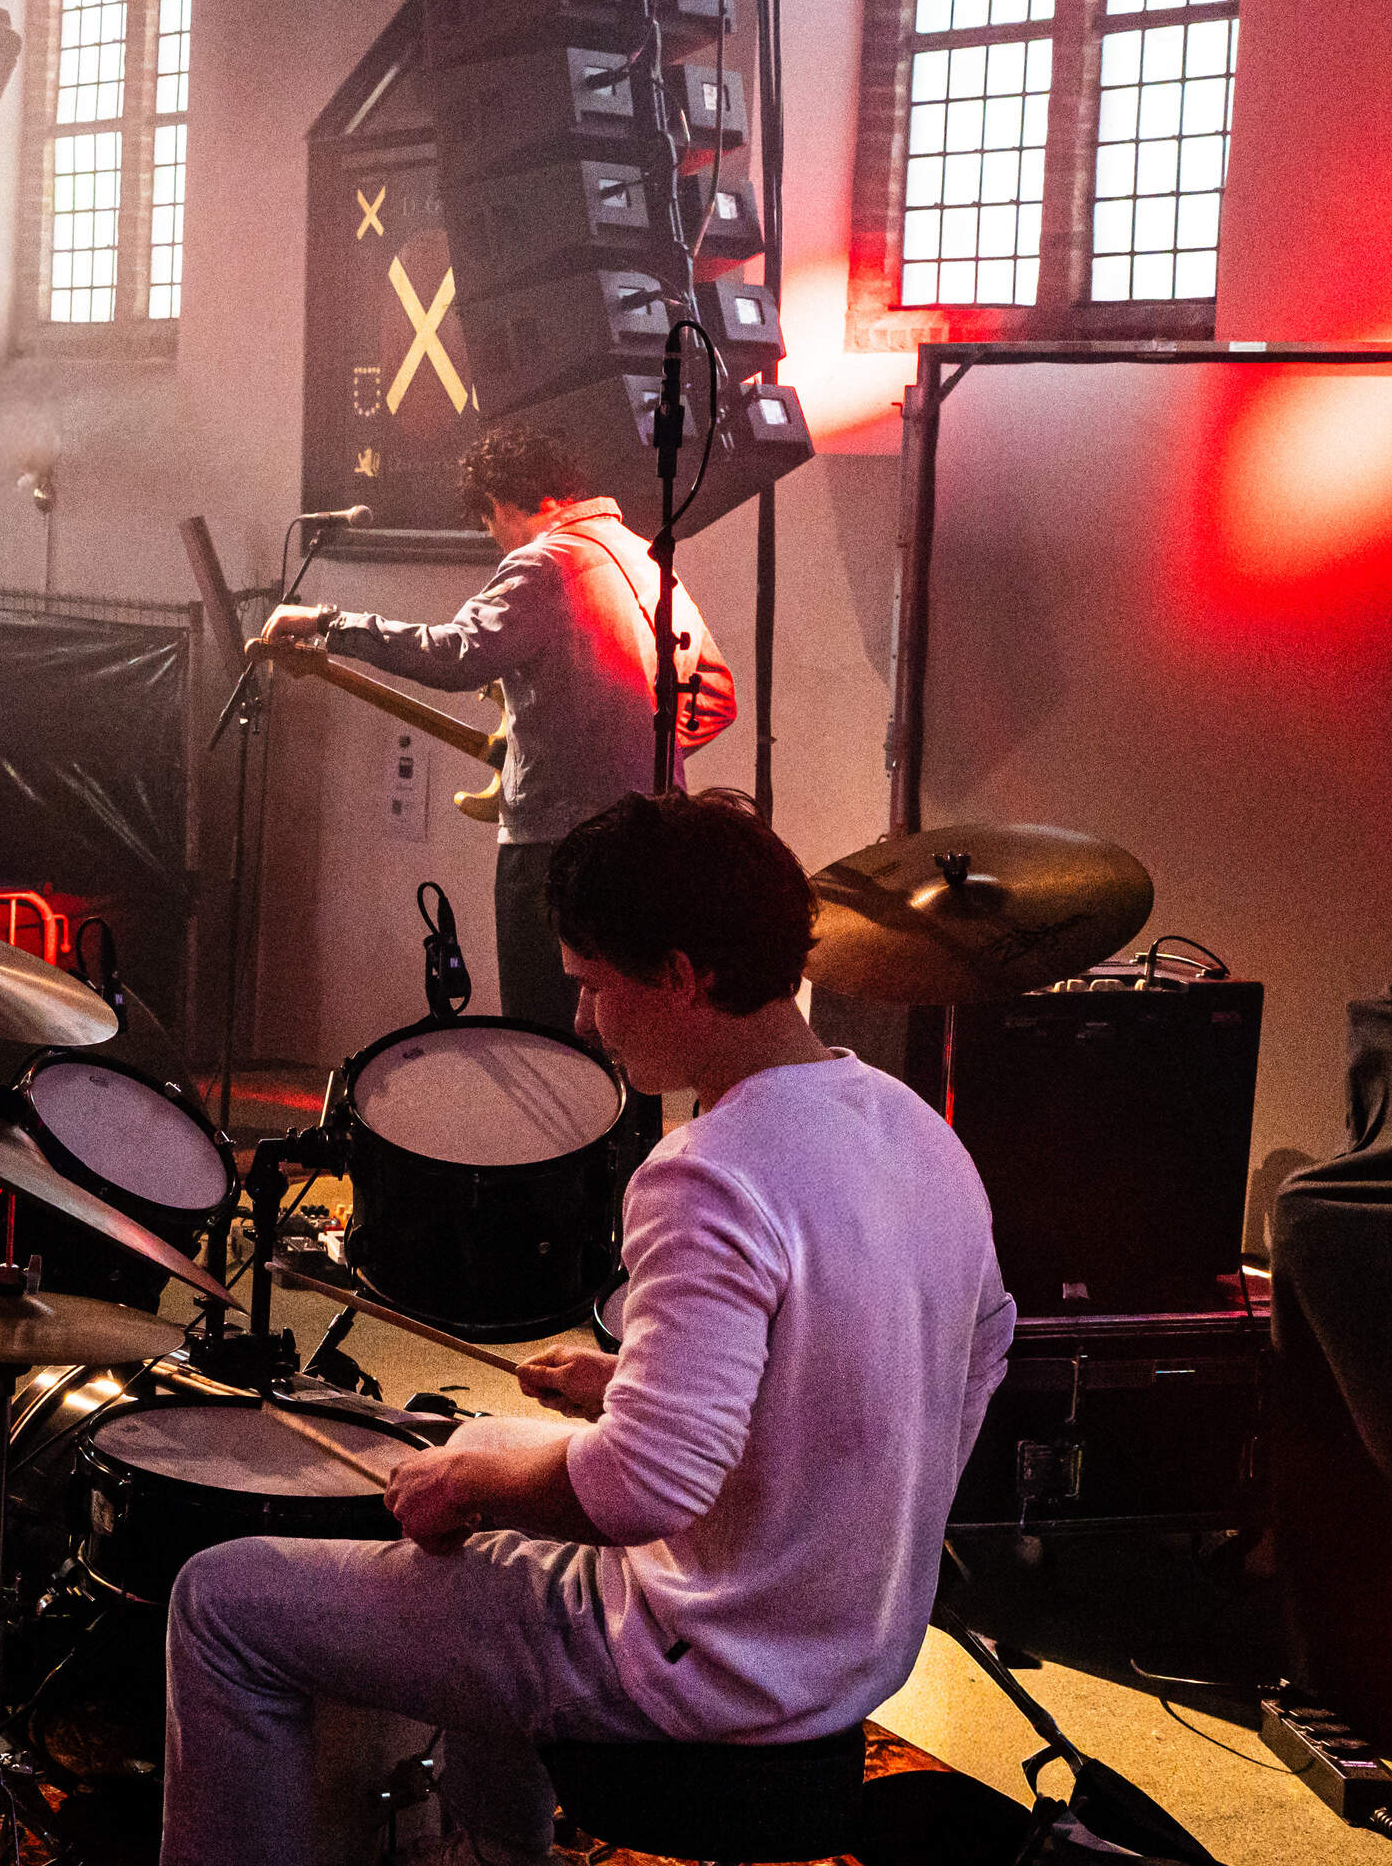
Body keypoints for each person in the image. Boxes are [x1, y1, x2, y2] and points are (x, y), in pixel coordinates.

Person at [164, 790, 1014, 1866]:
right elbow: (965, 1355)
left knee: (226, 1599)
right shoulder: (912, 1128)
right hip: (848, 1646)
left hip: (695, 1662)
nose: (581, 1022)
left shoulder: (711, 1171)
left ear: (678, 976)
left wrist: (466, 1487)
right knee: (485, 1441)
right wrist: (637, 1380)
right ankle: (490, 1848)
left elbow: (640, 1492)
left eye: (592, 985)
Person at [259, 424, 735, 1036]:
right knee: (626, 1028)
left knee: (544, 1038)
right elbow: (716, 696)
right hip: (653, 844)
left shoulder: (545, 562)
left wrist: (330, 622)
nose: (493, 538)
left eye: (488, 521)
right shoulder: (647, 560)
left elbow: (456, 654)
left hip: (557, 851)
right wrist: (628, 749)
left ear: (509, 502)